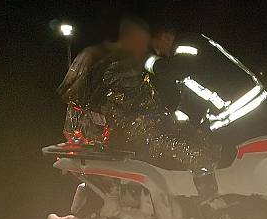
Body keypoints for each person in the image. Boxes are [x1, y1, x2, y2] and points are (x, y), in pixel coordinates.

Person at [57, 17, 216, 170]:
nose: (159, 53)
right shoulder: (121, 67)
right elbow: (126, 111)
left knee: (195, 147)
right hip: (129, 134)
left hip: (114, 132)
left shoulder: (102, 60)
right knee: (198, 154)